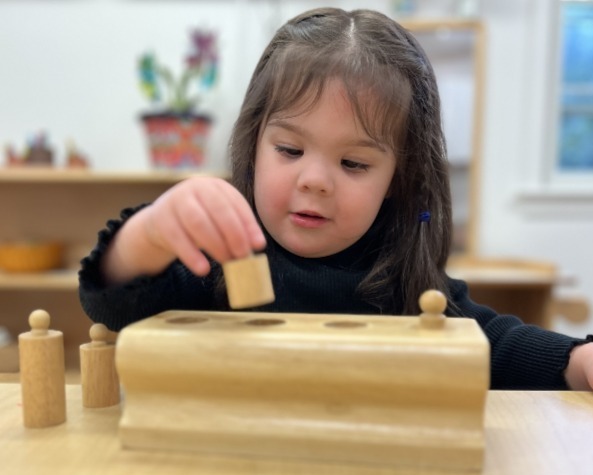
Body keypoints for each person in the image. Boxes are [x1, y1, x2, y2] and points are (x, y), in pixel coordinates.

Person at [78, 7, 593, 391]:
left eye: (353, 164)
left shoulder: (400, 280)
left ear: (396, 178)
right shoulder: (218, 257)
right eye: (290, 149)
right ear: (254, 144)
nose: (316, 180)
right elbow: (113, 301)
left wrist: (574, 360)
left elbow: (491, 345)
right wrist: (151, 231)